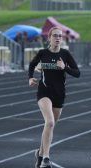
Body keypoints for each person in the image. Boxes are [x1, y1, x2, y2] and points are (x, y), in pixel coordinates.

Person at [28, 26, 80, 168]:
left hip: (59, 94)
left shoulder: (65, 54)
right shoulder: (42, 53)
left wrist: (65, 67)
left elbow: (77, 73)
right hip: (44, 92)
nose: (58, 38)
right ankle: (46, 159)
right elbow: (32, 65)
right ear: (49, 38)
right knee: (49, 122)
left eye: (60, 36)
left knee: (49, 127)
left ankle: (39, 153)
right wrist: (31, 78)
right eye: (55, 35)